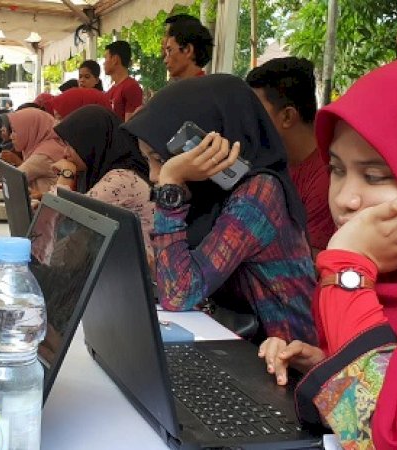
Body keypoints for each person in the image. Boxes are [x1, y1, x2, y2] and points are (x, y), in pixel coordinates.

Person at [258, 54, 397, 449]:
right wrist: (332, 366)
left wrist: (347, 272)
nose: (346, 200)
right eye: (336, 169)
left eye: (374, 175)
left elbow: (385, 437)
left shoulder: (355, 267)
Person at [123, 75, 316, 344]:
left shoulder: (260, 194)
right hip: (237, 346)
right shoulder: (210, 194)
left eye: (160, 160)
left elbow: (178, 293)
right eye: (149, 160)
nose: (155, 175)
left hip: (285, 367)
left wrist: (171, 183)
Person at [247, 57, 335, 253]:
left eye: (255, 112)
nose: (248, 120)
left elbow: (310, 262)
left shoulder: (326, 178)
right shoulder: (271, 161)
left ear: (287, 116)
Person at [53, 105, 154, 259]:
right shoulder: (106, 168)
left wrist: (66, 174)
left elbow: (60, 220)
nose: (65, 153)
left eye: (70, 145)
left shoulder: (121, 178)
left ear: (90, 142)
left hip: (142, 274)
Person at [8, 108, 66, 195]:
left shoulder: (44, 154)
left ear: (30, 130)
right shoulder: (48, 145)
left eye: (14, 131)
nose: (11, 136)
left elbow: (12, 179)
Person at [103, 41, 143, 121]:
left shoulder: (131, 87)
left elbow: (130, 125)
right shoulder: (111, 90)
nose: (104, 63)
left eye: (105, 58)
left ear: (115, 59)